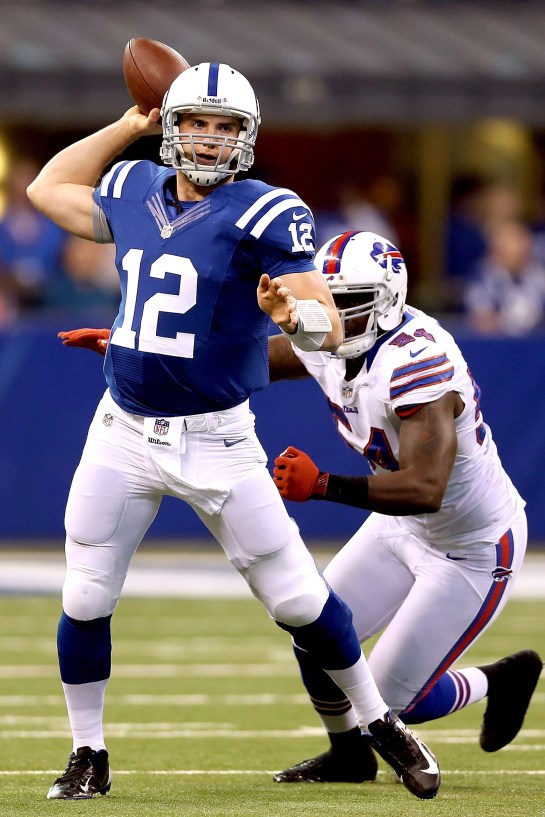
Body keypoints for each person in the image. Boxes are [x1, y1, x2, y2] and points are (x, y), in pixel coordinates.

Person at [27, 64, 440, 801]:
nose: (210, 139)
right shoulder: (129, 187)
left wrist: (294, 317)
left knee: (296, 600)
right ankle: (88, 749)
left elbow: (320, 316)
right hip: (122, 426)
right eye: (195, 122)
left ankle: (379, 722)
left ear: (246, 138)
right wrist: (128, 124)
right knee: (87, 594)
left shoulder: (267, 210)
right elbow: (47, 190)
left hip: (215, 437)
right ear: (171, 125)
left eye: (226, 127)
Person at [263, 230, 541, 783]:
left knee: (392, 704)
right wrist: (151, 353)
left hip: (472, 546)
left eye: (348, 302)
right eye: (324, 298)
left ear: (386, 301)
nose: (332, 315)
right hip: (403, 528)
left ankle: (499, 679)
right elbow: (249, 363)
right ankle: (349, 758)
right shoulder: (329, 334)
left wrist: (322, 487)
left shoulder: (416, 359)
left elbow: (425, 487)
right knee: (315, 630)